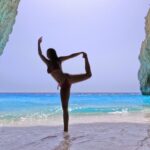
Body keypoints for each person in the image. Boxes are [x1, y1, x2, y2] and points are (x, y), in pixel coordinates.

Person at [38, 37, 92, 132]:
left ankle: (65, 131)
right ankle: (86, 58)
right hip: (68, 79)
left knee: (65, 108)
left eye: (47, 53)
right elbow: (70, 56)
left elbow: (40, 54)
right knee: (88, 75)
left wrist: (38, 43)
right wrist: (80, 53)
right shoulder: (59, 60)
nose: (46, 55)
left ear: (49, 54)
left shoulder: (50, 62)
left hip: (64, 83)